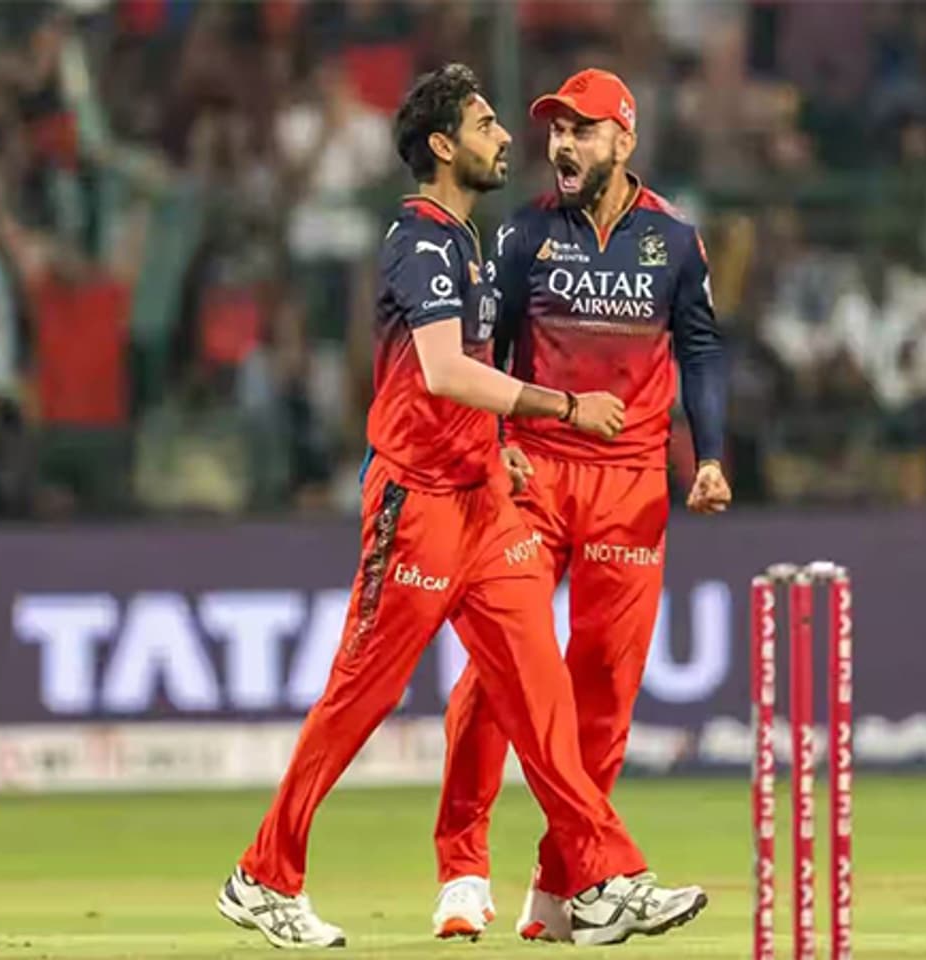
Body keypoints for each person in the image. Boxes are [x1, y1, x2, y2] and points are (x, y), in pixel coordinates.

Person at [217, 63, 707, 949]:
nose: (509, 138)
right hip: (418, 502)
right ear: (444, 147)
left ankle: (600, 880)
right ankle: (262, 875)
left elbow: (466, 386)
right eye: (487, 126)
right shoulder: (422, 240)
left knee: (542, 692)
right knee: (359, 694)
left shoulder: (473, 240)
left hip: (482, 501)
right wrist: (558, 411)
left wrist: (500, 451)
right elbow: (443, 372)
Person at [431, 68, 731, 942]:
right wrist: (500, 449)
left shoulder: (675, 240)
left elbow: (703, 352)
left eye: (582, 130)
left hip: (631, 485)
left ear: (622, 142)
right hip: (532, 475)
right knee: (502, 674)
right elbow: (490, 352)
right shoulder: (523, 233)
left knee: (603, 691)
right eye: (556, 129)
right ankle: (461, 868)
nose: (562, 144)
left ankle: (563, 890)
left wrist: (708, 457)